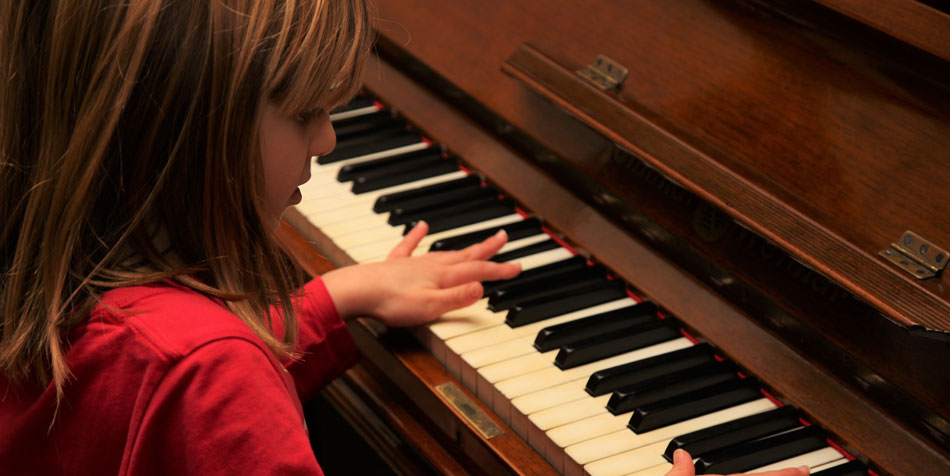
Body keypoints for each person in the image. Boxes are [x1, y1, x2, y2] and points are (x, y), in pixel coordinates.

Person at [0, 1, 809, 475]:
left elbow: (151, 411)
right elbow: (204, 398)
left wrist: (327, 301)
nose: (327, 142)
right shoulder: (213, 371)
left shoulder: (66, 281)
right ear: (184, 133)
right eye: (306, 111)